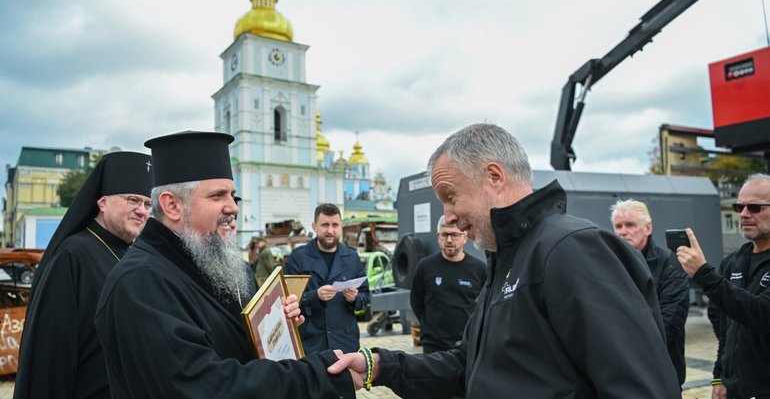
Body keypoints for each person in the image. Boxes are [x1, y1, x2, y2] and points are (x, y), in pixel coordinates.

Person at [329, 123, 680, 398]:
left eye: (450, 197)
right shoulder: (505, 260)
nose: (448, 217)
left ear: (494, 177)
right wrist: (380, 365)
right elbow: (469, 365)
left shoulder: (571, 249)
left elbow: (641, 387)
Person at [93, 131, 355, 399]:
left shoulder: (214, 262)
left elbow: (239, 347)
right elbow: (204, 387)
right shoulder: (139, 283)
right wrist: (316, 374)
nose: (234, 208)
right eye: (218, 196)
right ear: (172, 205)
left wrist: (278, 327)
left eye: (232, 194)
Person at [14, 151, 153, 399]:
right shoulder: (72, 256)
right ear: (102, 202)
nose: (142, 211)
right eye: (132, 200)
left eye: (147, 204)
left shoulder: (131, 254)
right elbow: (52, 353)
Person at [676, 173, 770, 399]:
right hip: (735, 389)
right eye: (740, 207)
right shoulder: (732, 262)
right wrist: (719, 376)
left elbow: (762, 314)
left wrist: (703, 272)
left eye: (755, 207)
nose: (744, 214)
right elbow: (725, 327)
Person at [610, 199, 690, 387]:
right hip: (620, 376)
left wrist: (620, 345)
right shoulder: (608, 264)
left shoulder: (671, 264)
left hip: (661, 373)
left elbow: (669, 323)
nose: (622, 232)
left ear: (647, 228)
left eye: (630, 225)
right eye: (618, 226)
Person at [284, 203, 370, 354]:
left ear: (341, 226)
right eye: (325, 225)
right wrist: (315, 296)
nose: (330, 230)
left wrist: (355, 298)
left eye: (335, 225)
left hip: (345, 342)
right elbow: (286, 301)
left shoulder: (352, 258)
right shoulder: (298, 258)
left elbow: (366, 297)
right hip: (310, 343)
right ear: (314, 226)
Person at [410, 215, 486, 354]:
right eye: (444, 235)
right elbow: (416, 301)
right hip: (434, 346)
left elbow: (485, 308)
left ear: (465, 237)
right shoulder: (425, 267)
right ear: (438, 237)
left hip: (467, 345)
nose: (449, 240)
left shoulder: (480, 270)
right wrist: (430, 327)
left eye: (454, 235)